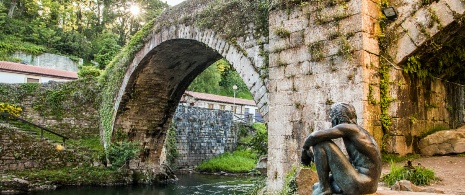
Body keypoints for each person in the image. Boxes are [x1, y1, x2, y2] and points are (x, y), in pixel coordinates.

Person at [301, 103, 381, 195]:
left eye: (332, 119)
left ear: (336, 119)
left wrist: (305, 149)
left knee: (321, 143)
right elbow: (349, 164)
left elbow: (314, 136)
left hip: (360, 183)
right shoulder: (359, 132)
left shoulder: (348, 128)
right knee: (317, 185)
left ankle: (323, 188)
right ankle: (323, 186)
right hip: (368, 185)